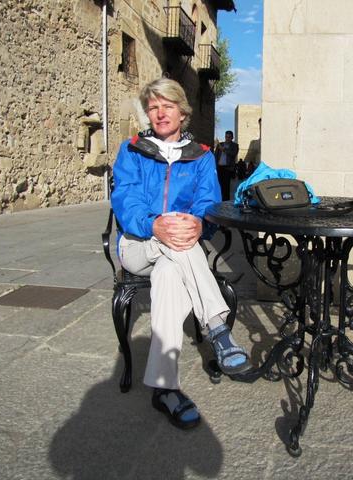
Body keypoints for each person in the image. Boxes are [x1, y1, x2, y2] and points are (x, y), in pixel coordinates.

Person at [111, 78, 251, 430]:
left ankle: (164, 389)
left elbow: (208, 203)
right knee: (178, 241)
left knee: (169, 273)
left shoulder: (201, 156)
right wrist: (154, 225)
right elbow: (126, 199)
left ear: (182, 112)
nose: (160, 113)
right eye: (153, 107)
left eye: (167, 106)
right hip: (137, 245)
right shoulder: (132, 150)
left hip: (176, 252)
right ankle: (217, 327)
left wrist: (199, 224)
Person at [214, 130, 239, 201]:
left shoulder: (235, 145)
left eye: (229, 137)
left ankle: (225, 202)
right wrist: (214, 166)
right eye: (226, 137)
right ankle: (219, 200)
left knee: (226, 186)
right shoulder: (220, 144)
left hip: (227, 168)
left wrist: (224, 150)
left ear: (232, 138)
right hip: (219, 168)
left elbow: (233, 154)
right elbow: (216, 156)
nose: (227, 138)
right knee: (219, 185)